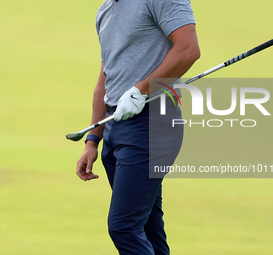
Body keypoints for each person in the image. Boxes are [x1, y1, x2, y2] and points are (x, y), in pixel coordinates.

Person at [76, 0, 200, 254]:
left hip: (152, 123)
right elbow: (106, 78)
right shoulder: (106, 10)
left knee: (124, 227)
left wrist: (141, 88)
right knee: (147, 230)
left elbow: (188, 49)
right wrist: (93, 139)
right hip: (114, 129)